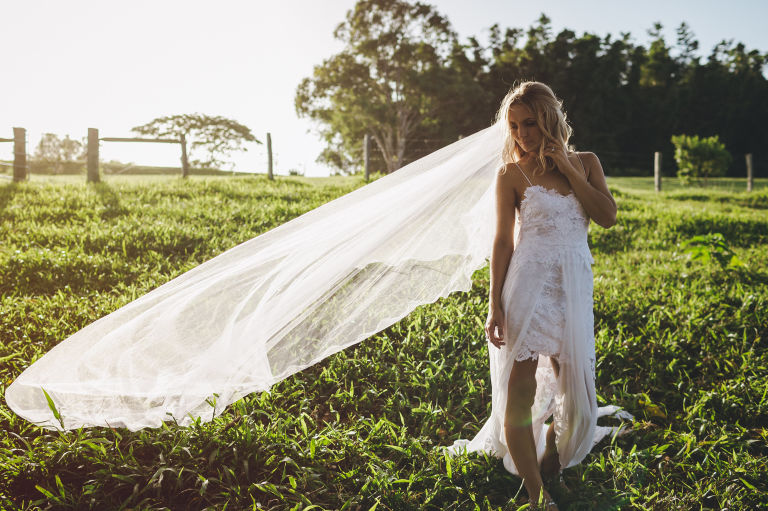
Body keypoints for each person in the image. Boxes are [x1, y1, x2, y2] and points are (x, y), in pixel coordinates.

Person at [473, 81, 618, 510]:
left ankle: (551, 460)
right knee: (519, 393)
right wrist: (494, 302)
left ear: (549, 118)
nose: (522, 134)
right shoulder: (510, 174)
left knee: (577, 395)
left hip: (573, 286)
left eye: (530, 123)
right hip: (527, 286)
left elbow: (606, 216)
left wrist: (569, 170)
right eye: (514, 126)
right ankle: (537, 496)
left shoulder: (586, 163)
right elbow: (503, 242)